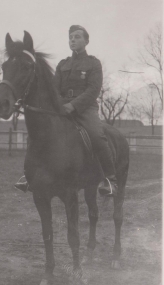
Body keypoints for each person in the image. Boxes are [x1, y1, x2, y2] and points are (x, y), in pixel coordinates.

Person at [15, 25, 117, 196]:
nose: (73, 39)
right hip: (62, 108)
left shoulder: (93, 63)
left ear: (86, 41)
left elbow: (93, 90)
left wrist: (73, 105)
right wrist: (57, 105)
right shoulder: (63, 64)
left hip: (85, 109)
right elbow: (55, 89)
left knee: (97, 135)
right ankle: (28, 175)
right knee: (39, 133)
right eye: (71, 37)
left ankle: (110, 179)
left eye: (77, 36)